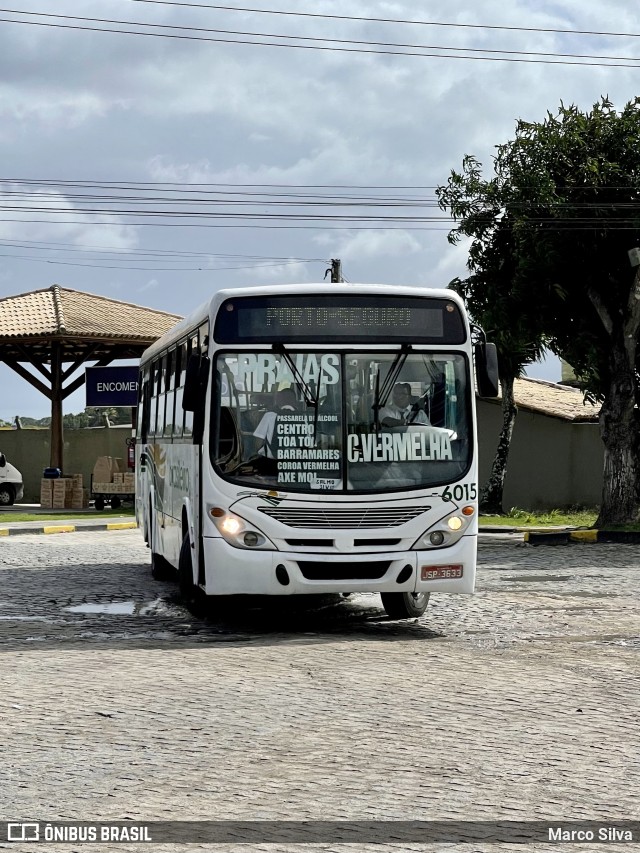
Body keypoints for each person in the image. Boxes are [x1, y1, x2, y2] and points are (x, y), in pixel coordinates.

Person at [253, 388, 299, 459]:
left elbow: (259, 441)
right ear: (294, 401)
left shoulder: (269, 415)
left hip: (271, 461)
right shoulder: (301, 417)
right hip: (293, 462)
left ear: (280, 401)